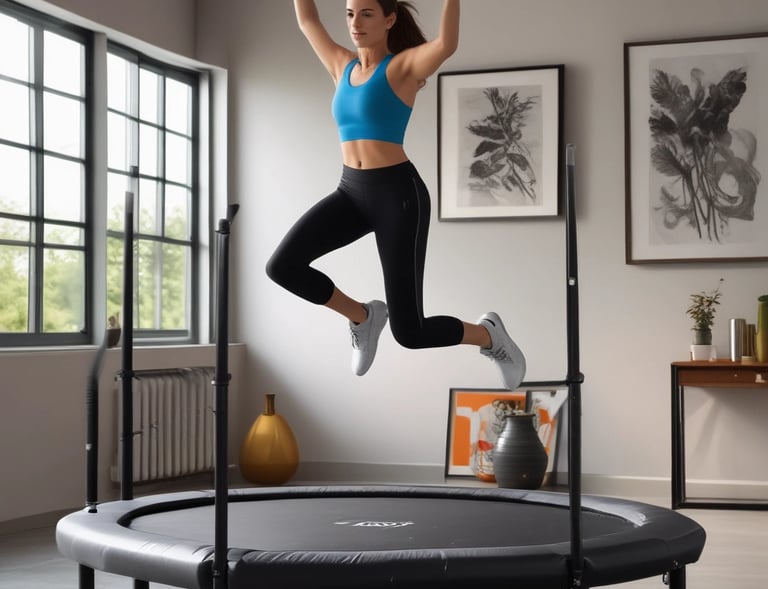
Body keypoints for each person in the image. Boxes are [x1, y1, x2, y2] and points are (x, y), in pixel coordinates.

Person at [267, 0, 526, 389]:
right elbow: (307, 19)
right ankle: (363, 316)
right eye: (351, 14)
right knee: (282, 267)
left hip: (398, 197)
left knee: (411, 333)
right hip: (351, 191)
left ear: (389, 19)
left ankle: (489, 336)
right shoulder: (342, 65)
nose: (355, 23)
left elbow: (447, 44)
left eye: (367, 13)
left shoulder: (402, 69)